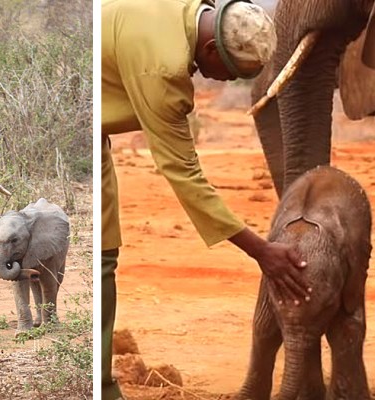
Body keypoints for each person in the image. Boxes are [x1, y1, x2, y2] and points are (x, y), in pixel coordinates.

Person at [100, 0, 311, 398]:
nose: (221, 83)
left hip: (97, 129)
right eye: (229, 75)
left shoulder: (188, 10)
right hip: (89, 123)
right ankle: (102, 386)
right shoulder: (162, 70)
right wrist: (260, 250)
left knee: (104, 249)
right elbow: (184, 173)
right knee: (101, 260)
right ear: (212, 49)